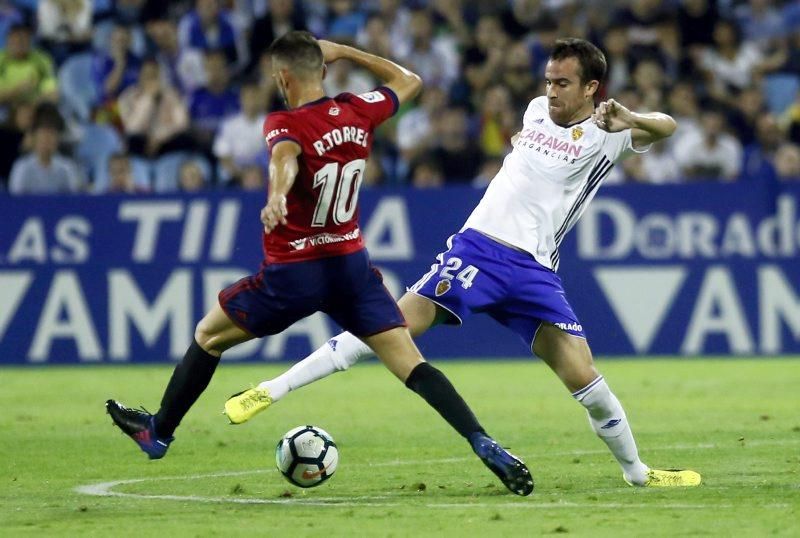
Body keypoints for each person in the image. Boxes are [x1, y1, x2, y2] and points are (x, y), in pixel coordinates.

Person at [231, 38, 703, 489]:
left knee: (585, 376)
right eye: (548, 81)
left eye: (562, 83)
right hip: (477, 249)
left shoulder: (609, 133)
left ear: (591, 88)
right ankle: (273, 389)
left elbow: (668, 126)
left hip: (535, 270)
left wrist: (631, 117)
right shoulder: (536, 112)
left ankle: (637, 472)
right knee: (388, 327)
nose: (551, 91)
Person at [106, 31, 533, 497]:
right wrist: (346, 50)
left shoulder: (283, 122)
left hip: (295, 271)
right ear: (324, 69)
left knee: (208, 336)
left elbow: (285, 159)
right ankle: (482, 440)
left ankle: (159, 431)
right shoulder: (358, 109)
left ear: (283, 77)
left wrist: (277, 195)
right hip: (350, 266)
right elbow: (409, 80)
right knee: (411, 362)